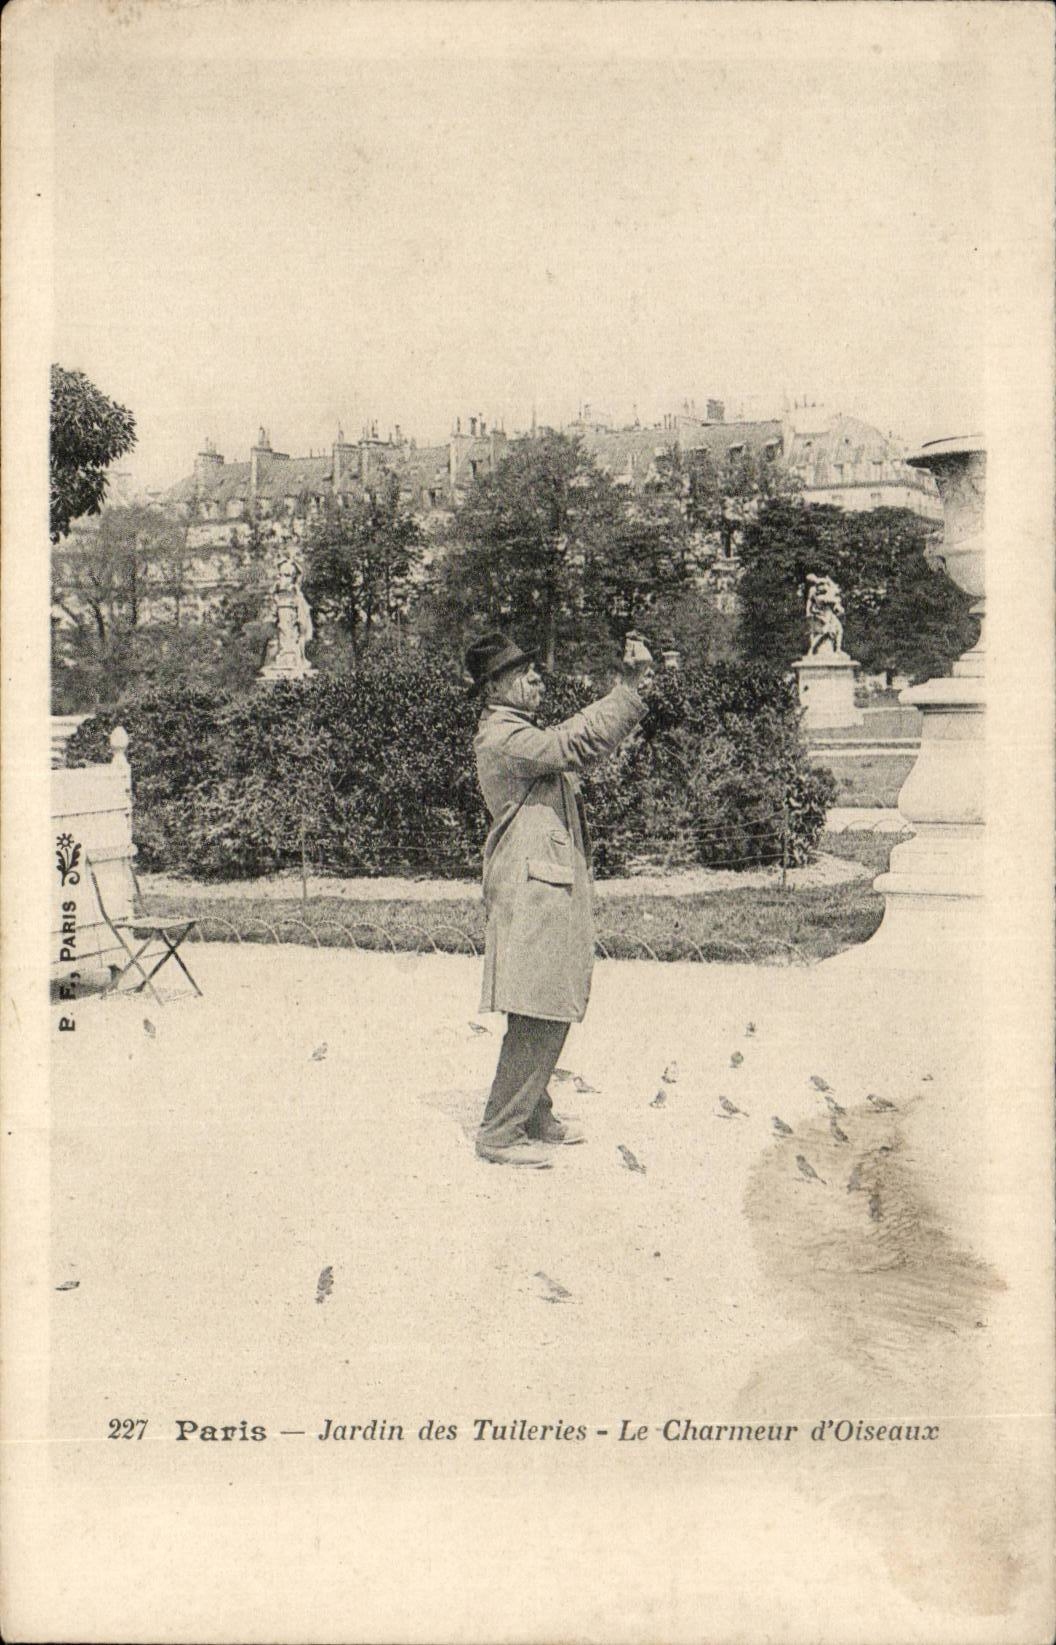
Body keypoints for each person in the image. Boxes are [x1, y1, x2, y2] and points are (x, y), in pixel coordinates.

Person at [464, 632, 654, 1168]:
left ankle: (533, 1111)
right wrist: (628, 691)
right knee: (538, 1009)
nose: (536, 680)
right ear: (495, 687)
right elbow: (573, 744)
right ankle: (500, 1133)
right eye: (523, 675)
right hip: (532, 893)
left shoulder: (517, 733)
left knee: (546, 1002)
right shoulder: (503, 737)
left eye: (534, 672)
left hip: (542, 888)